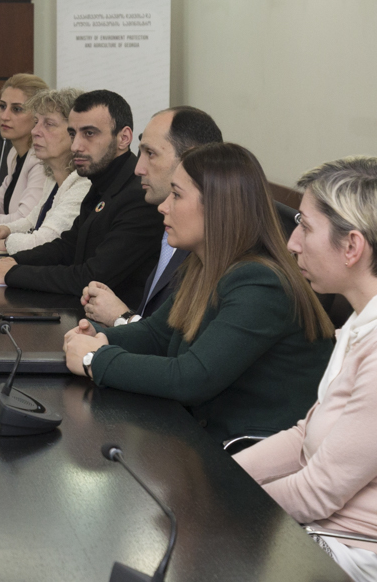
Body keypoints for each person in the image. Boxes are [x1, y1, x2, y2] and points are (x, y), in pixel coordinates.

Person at [63, 144, 334, 441]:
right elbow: (158, 334)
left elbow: (191, 378)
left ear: (218, 207)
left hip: (248, 452)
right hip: (202, 435)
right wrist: (100, 337)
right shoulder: (204, 264)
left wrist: (96, 359)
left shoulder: (261, 283)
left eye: (176, 195)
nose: (163, 206)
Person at [235, 157, 377, 582]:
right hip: (326, 530)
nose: (292, 243)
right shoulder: (360, 323)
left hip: (354, 555)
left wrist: (229, 509)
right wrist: (224, 481)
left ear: (351, 247)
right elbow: (306, 435)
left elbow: (319, 492)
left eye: (305, 227)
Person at [0, 90, 163, 305]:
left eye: (89, 133)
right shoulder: (102, 180)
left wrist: (10, 273)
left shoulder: (139, 196)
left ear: (123, 138)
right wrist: (12, 262)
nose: (76, 146)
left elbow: (91, 277)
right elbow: (67, 247)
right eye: (73, 134)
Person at [80, 107, 224, 326]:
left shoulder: (209, 248)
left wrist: (121, 317)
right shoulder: (176, 228)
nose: (138, 169)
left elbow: (177, 339)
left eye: (151, 153)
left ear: (191, 158)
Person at [0, 88, 90, 254]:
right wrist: (2, 229)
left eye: (49, 124)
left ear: (75, 133)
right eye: (36, 122)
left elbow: (45, 241)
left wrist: (5, 242)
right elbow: (32, 221)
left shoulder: (84, 184)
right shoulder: (53, 179)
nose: (34, 131)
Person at [0, 74, 49, 227]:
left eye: (17, 109)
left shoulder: (42, 161)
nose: (4, 116)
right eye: (2, 106)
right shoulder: (14, 153)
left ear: (38, 117)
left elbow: (26, 221)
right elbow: (0, 197)